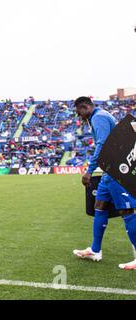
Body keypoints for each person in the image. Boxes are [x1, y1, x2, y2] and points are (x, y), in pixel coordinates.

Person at [72, 97, 136, 270]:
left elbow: (102, 145)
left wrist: (89, 170)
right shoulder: (100, 115)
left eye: (79, 113)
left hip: (115, 169)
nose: (79, 117)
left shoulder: (98, 117)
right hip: (109, 171)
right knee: (99, 206)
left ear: (85, 107)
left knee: (126, 210)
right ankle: (95, 249)